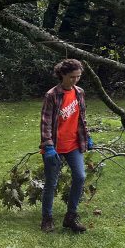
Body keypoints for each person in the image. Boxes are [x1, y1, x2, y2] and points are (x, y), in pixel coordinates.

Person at [40, 59, 93, 233]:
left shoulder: (79, 92)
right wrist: (48, 146)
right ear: (62, 74)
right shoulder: (52, 95)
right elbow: (46, 123)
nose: (75, 80)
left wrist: (87, 137)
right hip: (54, 148)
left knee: (80, 177)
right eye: (72, 77)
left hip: (73, 145)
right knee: (51, 183)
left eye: (78, 77)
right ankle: (47, 219)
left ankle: (70, 217)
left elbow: (82, 118)